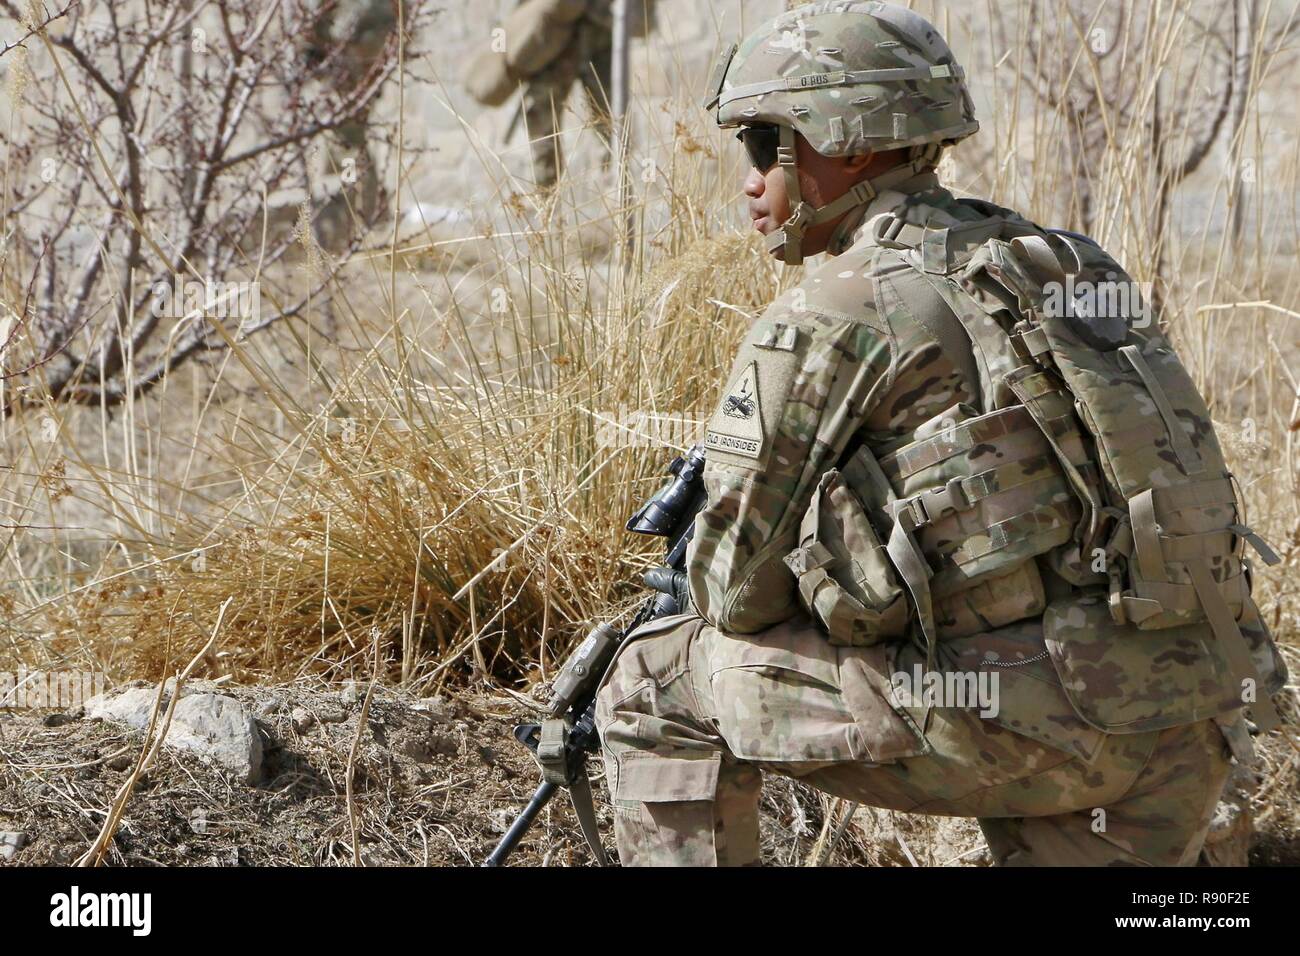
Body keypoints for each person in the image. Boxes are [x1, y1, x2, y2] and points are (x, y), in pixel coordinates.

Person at [591, 0, 1288, 867]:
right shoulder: (1065, 263)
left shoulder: (831, 308)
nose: (749, 178)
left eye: (763, 143)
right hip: (1190, 719)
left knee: (650, 681)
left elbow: (731, 595)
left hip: (1033, 731)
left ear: (843, 140)